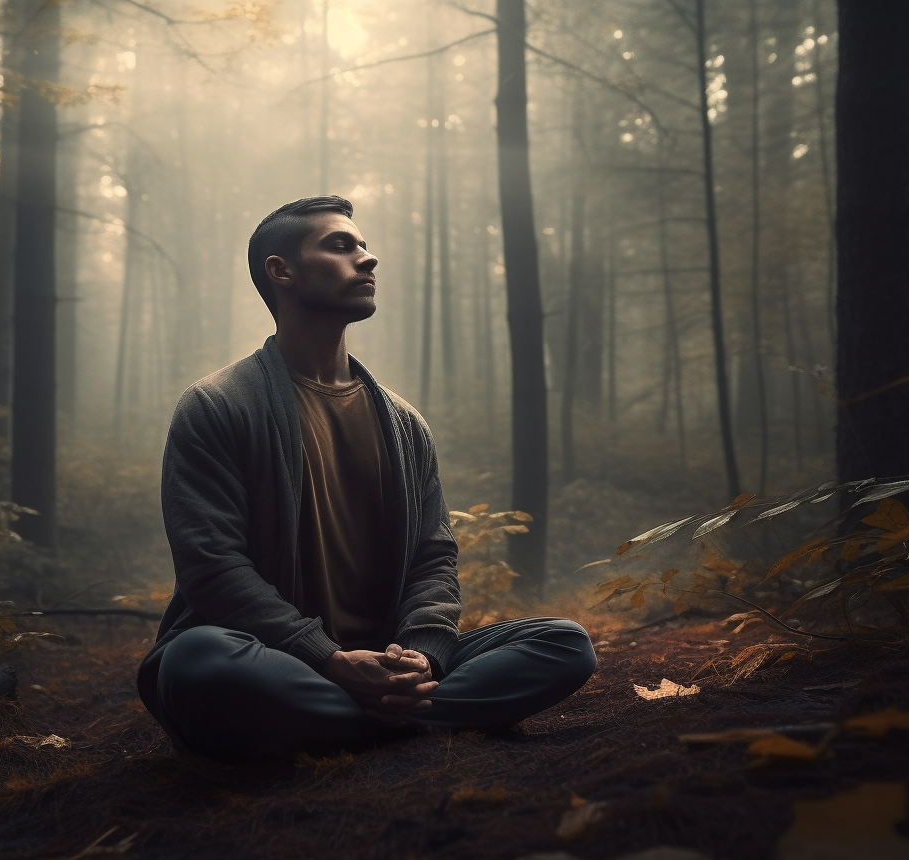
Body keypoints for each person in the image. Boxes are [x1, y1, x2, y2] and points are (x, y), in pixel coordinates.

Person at [137, 196, 596, 759]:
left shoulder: (404, 423)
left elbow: (433, 556)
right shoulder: (218, 405)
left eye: (364, 244)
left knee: (564, 643)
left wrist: (420, 656)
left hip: (385, 659)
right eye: (340, 245)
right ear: (281, 271)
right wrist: (329, 660)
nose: (368, 258)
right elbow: (212, 567)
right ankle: (409, 719)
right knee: (195, 661)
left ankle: (372, 715)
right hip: (282, 658)